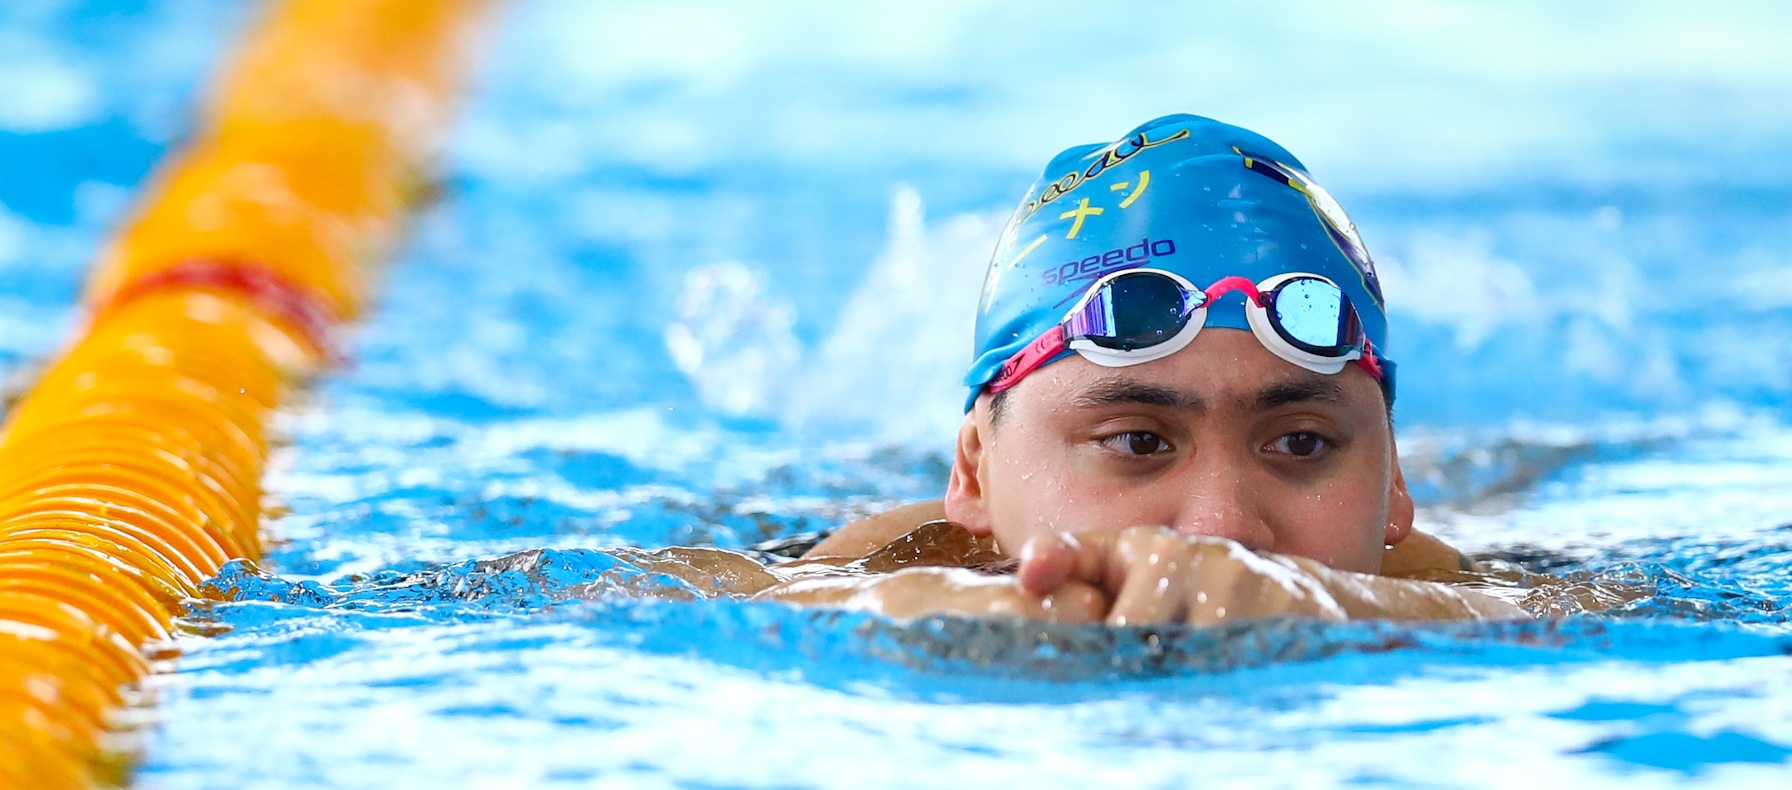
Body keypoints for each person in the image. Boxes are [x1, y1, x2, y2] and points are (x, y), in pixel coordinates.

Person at [630, 113, 1520, 626]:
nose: (1220, 530)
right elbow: (546, 602)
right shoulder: (880, 568)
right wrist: (927, 612)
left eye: (1299, 441)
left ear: (1394, 478)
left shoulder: (1448, 593)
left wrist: (1330, 607)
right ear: (975, 472)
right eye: (1137, 439)